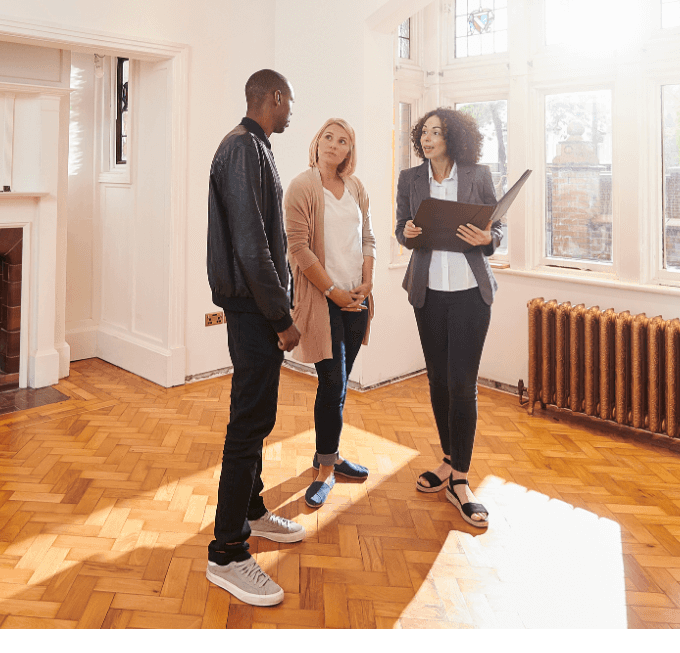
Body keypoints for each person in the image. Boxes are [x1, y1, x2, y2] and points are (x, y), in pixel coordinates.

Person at [203, 69, 308, 607]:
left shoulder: (252, 146)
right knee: (249, 421)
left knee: (258, 414)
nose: (292, 112)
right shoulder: (243, 149)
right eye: (289, 103)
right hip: (252, 310)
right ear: (274, 97)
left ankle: (251, 510)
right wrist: (282, 316)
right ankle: (226, 553)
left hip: (252, 307)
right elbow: (251, 246)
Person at [396, 108, 503, 528]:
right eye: (424, 132)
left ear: (453, 137)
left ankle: (460, 479)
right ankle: (447, 458)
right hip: (428, 293)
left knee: (462, 384)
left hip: (470, 294)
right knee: (438, 381)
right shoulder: (410, 179)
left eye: (436, 132)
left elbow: (496, 230)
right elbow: (400, 228)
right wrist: (405, 234)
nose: (428, 138)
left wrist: (487, 238)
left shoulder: (476, 175)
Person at [284, 118, 375, 509]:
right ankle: (325, 468)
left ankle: (331, 453)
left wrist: (367, 282)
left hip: (357, 298)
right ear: (316, 141)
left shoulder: (355, 187)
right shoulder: (302, 186)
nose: (334, 145)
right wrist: (335, 293)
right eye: (328, 137)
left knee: (340, 382)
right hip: (324, 301)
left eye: (343, 141)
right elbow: (299, 250)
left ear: (349, 151)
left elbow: (367, 236)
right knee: (331, 381)